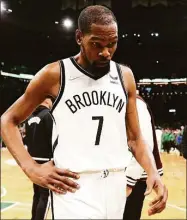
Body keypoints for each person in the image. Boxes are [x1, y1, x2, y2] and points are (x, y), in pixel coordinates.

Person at [1, 5, 167, 219]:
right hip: (74, 187)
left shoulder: (125, 76)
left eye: (112, 44)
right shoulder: (55, 74)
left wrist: (153, 171)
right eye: (96, 44)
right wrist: (31, 168)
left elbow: (135, 138)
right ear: (79, 37)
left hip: (116, 186)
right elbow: (8, 120)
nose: (106, 52)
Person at [124, 94, 164, 220]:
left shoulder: (136, 102)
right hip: (115, 178)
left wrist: (128, 182)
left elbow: (141, 142)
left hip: (130, 179)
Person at [23, 97, 54, 220]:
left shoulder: (29, 118)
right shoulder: (48, 115)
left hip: (33, 159)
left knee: (37, 194)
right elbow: (53, 136)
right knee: (45, 196)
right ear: (47, 101)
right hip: (46, 159)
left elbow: (25, 138)